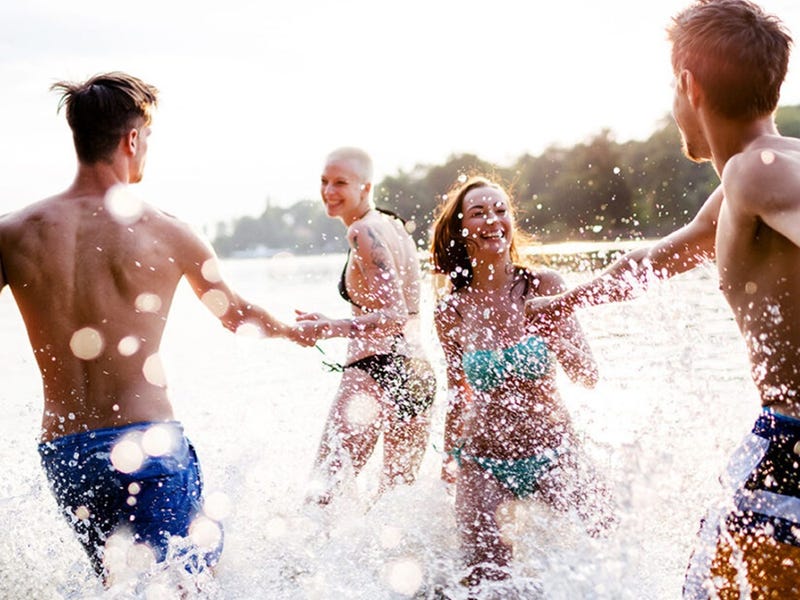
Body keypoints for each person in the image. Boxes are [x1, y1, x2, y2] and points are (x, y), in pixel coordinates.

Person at [525, 1, 800, 596]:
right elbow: (655, 260)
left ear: (688, 85)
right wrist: (564, 305)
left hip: (790, 449)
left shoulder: (758, 172)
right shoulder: (754, 177)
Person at [0, 72, 305, 585]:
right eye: (148, 137)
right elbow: (236, 317)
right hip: (145, 444)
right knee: (187, 584)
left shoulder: (13, 231)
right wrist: (304, 332)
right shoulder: (168, 231)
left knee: (120, 585)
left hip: (66, 451)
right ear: (132, 139)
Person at [430, 175, 610, 590]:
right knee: (484, 583)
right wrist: (449, 458)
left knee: (604, 554)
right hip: (484, 462)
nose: (493, 220)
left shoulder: (545, 285)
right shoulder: (451, 310)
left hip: (555, 451)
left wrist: (551, 334)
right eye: (478, 213)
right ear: (461, 228)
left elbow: (587, 375)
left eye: (501, 210)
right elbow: (458, 392)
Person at [295, 147, 436, 505]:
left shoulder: (362, 232)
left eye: (340, 183)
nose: (329, 191)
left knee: (321, 498)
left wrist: (331, 326)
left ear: (366, 187)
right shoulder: (393, 225)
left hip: (374, 370)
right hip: (416, 374)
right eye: (324, 181)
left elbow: (394, 314)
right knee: (396, 506)